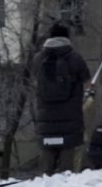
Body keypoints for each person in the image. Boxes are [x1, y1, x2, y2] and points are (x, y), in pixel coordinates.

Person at [32, 23, 91, 175]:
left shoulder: (38, 59)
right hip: (70, 118)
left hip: (45, 119)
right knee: (67, 168)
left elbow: (34, 83)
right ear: (67, 38)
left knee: (46, 169)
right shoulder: (74, 58)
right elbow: (87, 83)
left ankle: (46, 183)